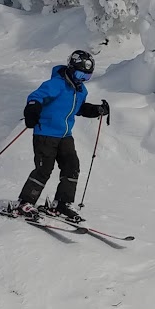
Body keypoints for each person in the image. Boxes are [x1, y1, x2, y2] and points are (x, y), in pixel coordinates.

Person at [15, 49, 109, 224]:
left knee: (72, 166)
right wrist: (32, 109)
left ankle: (62, 203)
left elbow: (79, 108)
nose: (82, 79)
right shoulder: (56, 84)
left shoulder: (81, 91)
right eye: (80, 74)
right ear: (71, 68)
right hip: (45, 133)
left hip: (65, 135)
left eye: (87, 76)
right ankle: (25, 202)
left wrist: (96, 110)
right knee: (44, 169)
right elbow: (35, 97)